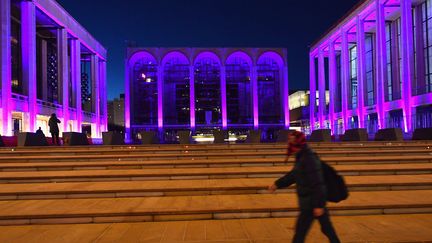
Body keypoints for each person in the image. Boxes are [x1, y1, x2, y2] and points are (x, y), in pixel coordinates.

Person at [268, 131, 340, 243]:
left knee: (301, 233)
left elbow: (318, 183)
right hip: (310, 201)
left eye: (291, 141)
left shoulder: (309, 159)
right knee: (326, 229)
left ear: (297, 143)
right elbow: (293, 175)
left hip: (312, 203)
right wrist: (277, 184)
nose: (289, 144)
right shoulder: (302, 157)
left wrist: (318, 205)